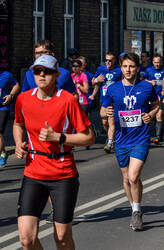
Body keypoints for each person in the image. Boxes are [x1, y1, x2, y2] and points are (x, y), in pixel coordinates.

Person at [13, 55, 94, 250]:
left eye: (47, 71)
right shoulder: (23, 99)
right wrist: (18, 143)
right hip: (33, 173)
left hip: (63, 175)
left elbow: (89, 137)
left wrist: (60, 137)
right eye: (37, 71)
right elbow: (18, 123)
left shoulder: (67, 100)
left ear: (56, 75)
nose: (42, 74)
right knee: (26, 239)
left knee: (62, 237)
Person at [100, 53, 159, 231]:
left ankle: (136, 211)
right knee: (127, 179)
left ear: (137, 68)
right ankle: (133, 207)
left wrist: (151, 115)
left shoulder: (146, 87)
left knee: (134, 176)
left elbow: (156, 105)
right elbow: (103, 111)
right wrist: (107, 113)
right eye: (125, 66)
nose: (128, 70)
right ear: (121, 68)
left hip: (141, 138)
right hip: (121, 140)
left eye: (131, 66)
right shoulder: (113, 89)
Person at [21, 39, 77, 224]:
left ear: (51, 54)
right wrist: (21, 140)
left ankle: (56, 206)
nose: (40, 56)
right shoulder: (31, 75)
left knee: (53, 170)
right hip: (37, 133)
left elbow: (72, 96)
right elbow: (24, 102)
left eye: (43, 52)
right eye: (37, 53)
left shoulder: (65, 74)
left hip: (58, 129)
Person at [92, 52, 122, 153]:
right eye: (106, 60)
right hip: (103, 98)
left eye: (110, 60)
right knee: (104, 121)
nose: (108, 62)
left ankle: (110, 142)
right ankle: (113, 135)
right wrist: (96, 79)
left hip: (114, 99)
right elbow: (93, 81)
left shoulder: (118, 70)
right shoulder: (100, 69)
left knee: (111, 120)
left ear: (114, 61)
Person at [144, 54, 164, 144]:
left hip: (160, 96)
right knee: (150, 116)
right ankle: (153, 133)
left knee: (159, 115)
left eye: (158, 62)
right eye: (155, 63)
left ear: (161, 62)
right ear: (152, 62)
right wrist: (150, 82)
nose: (157, 64)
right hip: (150, 96)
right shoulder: (149, 70)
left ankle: (158, 136)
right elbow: (143, 79)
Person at [0, 71, 20, 168]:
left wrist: (10, 95)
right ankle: (3, 153)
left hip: (2, 108)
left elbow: (16, 85)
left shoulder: (5, 75)